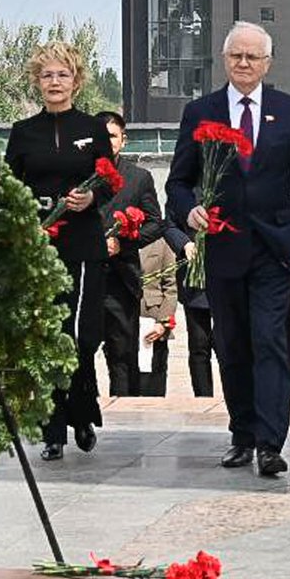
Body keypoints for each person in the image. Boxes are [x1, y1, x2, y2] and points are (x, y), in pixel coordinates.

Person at [165, 22, 290, 476]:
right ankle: (243, 433)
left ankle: (271, 443)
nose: (244, 63)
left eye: (253, 57)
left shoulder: (289, 110)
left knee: (270, 341)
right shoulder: (201, 111)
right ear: (224, 59)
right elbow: (178, 181)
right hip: (222, 247)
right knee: (231, 345)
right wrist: (189, 209)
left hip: (275, 249)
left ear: (268, 63)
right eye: (237, 56)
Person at [4, 42, 117, 461]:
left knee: (84, 336)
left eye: (62, 75)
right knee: (49, 336)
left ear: (76, 81)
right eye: (47, 75)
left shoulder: (91, 128)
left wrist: (92, 199)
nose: (55, 82)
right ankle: (52, 427)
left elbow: (108, 181)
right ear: (37, 81)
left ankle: (82, 409)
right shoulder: (22, 132)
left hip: (84, 245)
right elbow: (9, 187)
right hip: (39, 247)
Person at [93, 111, 165, 396]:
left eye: (111, 136)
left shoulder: (138, 178)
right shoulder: (76, 176)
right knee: (78, 355)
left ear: (123, 140)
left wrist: (124, 242)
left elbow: (155, 223)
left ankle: (125, 414)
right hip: (83, 278)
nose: (106, 141)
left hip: (121, 281)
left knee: (122, 356)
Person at [164, 223, 215, 396]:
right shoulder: (183, 195)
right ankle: (203, 396)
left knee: (230, 345)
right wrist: (185, 244)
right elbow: (169, 226)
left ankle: (236, 397)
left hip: (228, 275)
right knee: (199, 345)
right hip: (195, 283)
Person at [137, 234, 181, 395]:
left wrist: (163, 322)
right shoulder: (116, 238)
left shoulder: (162, 243)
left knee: (154, 376)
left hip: (153, 318)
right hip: (125, 318)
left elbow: (171, 287)